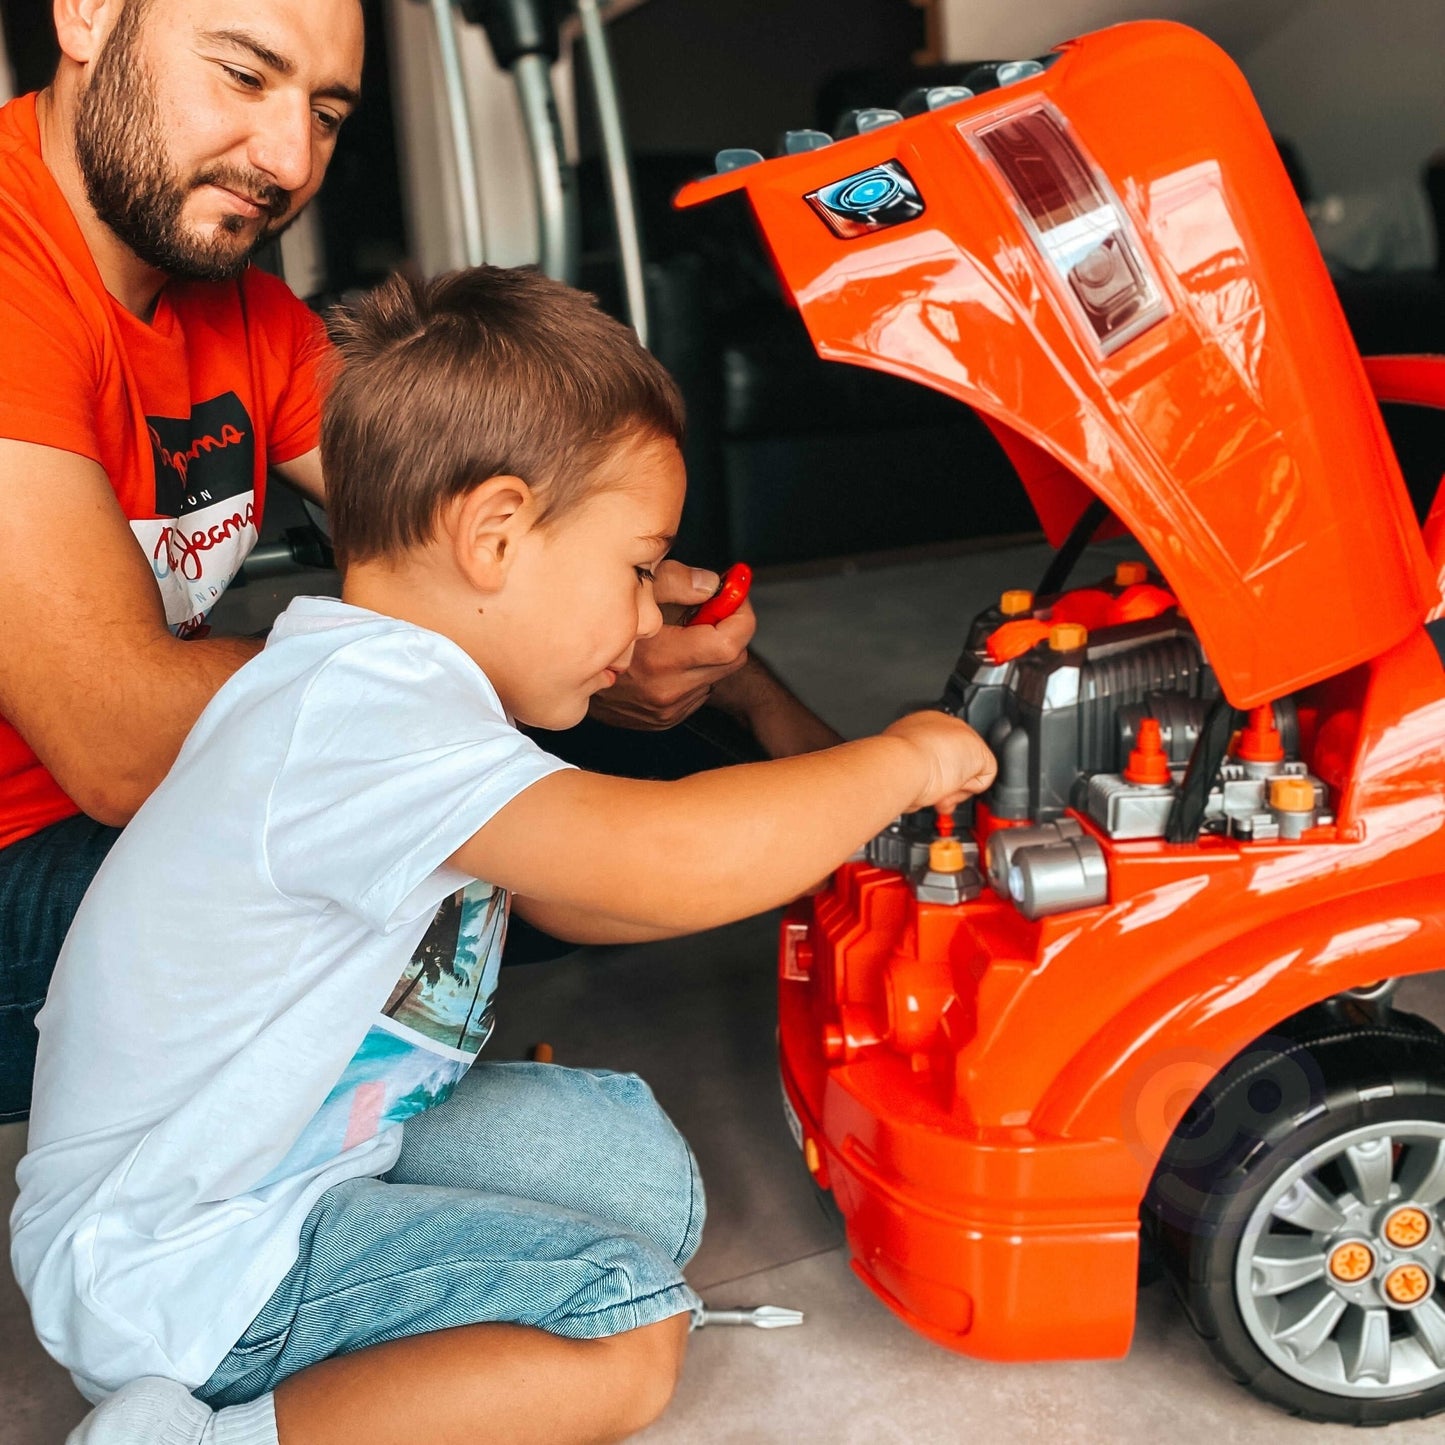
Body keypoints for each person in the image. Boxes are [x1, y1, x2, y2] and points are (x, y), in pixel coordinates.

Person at [11, 266, 997, 1445]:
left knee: (640, 1179)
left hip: (283, 1156)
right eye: (635, 567)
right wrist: (902, 763)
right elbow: (663, 857)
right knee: (619, 1329)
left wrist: (820, 859)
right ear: (493, 532)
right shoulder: (360, 720)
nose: (645, 620)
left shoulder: (389, 682)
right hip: (187, 1250)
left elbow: (583, 902)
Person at [0, 0, 840, 1123]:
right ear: (88, 14)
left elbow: (503, 536)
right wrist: (539, 643)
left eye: (327, 113)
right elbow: (115, 736)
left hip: (145, 807)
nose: (290, 160)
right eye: (246, 77)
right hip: (26, 862)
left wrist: (773, 715)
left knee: (638, 766)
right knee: (491, 828)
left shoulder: (242, 310)